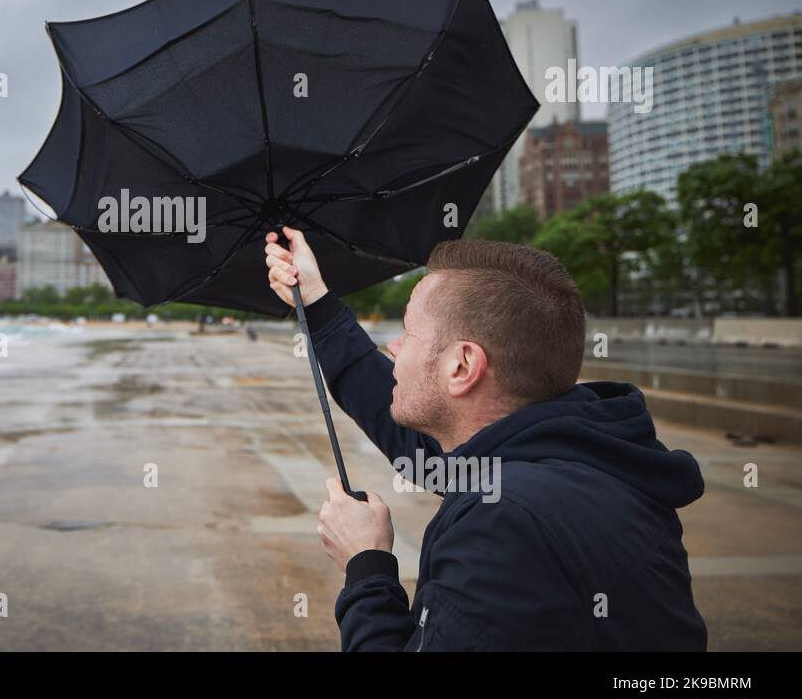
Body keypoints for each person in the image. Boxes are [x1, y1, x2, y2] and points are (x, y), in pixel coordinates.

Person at [263, 226, 707, 651]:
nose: (394, 347)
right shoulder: (570, 458)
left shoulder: (506, 523)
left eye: (409, 332)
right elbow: (419, 447)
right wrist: (317, 302)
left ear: (462, 366)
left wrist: (367, 565)